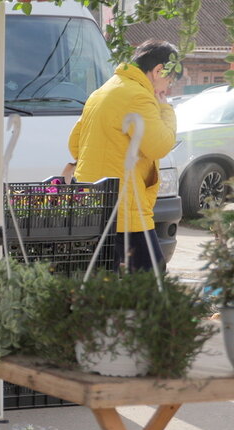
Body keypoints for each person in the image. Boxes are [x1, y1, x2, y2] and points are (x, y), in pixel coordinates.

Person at [68, 40, 178, 273]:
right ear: (159, 70)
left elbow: (74, 145)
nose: (168, 88)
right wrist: (166, 109)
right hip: (125, 206)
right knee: (151, 276)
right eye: (170, 80)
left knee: (102, 277)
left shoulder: (103, 90)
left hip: (92, 202)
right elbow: (160, 146)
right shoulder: (138, 96)